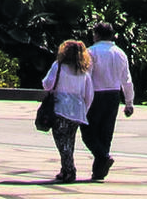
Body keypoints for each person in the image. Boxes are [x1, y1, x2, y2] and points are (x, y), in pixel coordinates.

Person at [83, 24, 135, 182]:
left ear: (97, 35)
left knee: (88, 132)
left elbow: (87, 77)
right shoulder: (120, 53)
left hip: (96, 94)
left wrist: (84, 98)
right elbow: (126, 79)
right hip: (113, 95)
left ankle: (103, 157)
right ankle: (98, 172)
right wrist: (129, 102)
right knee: (106, 133)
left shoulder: (91, 51)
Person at [42, 38, 94, 184]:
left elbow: (47, 84)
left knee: (61, 141)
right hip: (77, 110)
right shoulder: (83, 72)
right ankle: (65, 170)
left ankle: (70, 170)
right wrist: (85, 109)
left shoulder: (58, 66)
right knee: (69, 141)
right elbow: (89, 94)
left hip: (61, 108)